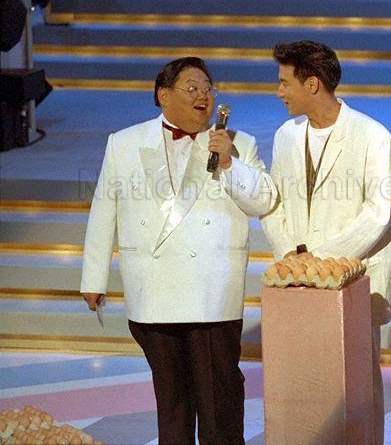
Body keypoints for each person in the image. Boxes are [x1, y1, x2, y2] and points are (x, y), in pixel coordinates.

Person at [80, 57, 278, 444]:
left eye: (208, 88)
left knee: (219, 402)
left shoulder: (239, 143)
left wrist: (229, 162)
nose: (203, 95)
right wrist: (94, 277)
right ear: (163, 95)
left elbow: (263, 201)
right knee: (171, 402)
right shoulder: (124, 142)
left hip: (212, 295)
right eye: (192, 88)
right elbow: (104, 210)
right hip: (152, 290)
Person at [260, 40, 391, 445]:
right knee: (301, 385)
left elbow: (378, 214)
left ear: (313, 84)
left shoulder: (372, 135)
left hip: (350, 282)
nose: (279, 92)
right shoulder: (286, 135)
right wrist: (290, 255)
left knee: (354, 389)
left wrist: (318, 261)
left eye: (285, 82)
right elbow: (274, 202)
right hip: (296, 282)